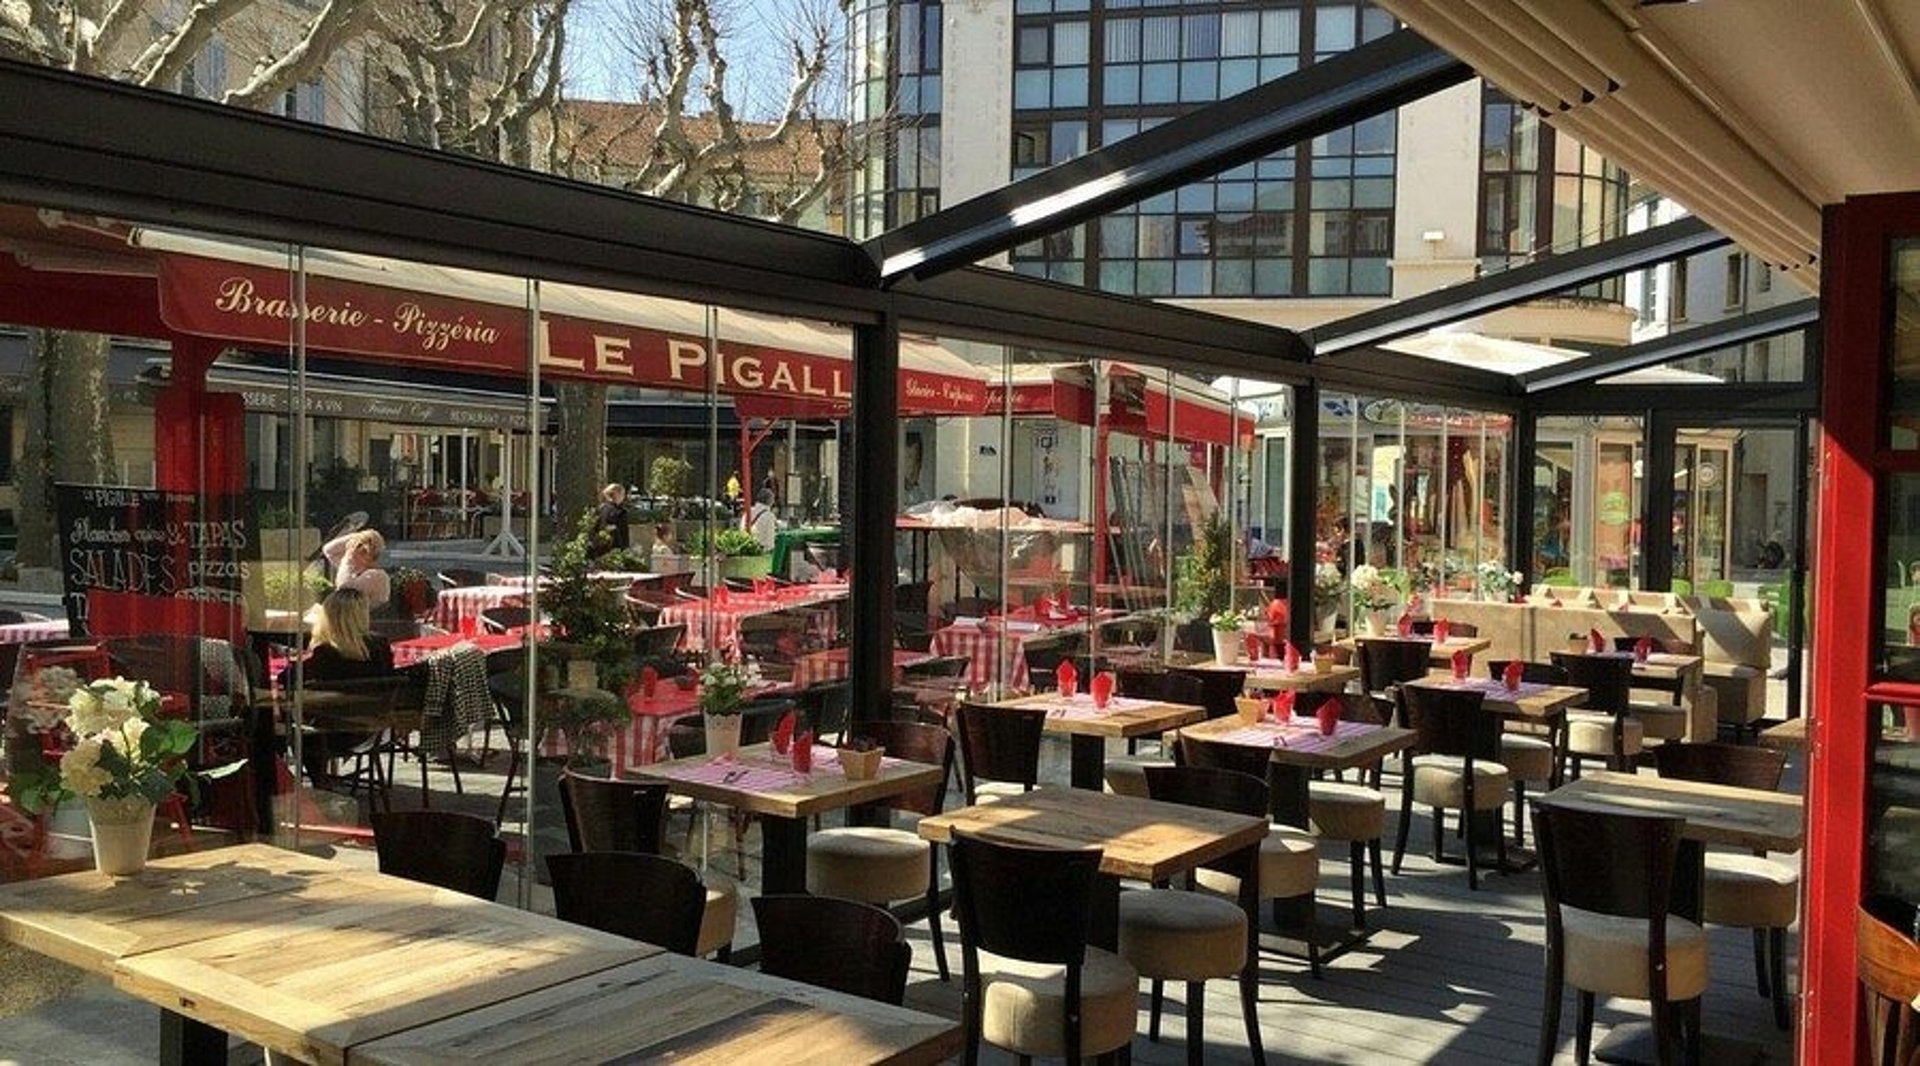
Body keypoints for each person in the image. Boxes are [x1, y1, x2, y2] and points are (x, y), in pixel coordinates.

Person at [278, 588, 396, 782]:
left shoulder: (326, 653)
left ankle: (308, 782)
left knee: (286, 719)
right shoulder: (380, 646)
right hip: (372, 731)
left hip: (331, 736)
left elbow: (286, 679)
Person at [320, 528, 390, 608]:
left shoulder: (377, 576)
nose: (354, 554)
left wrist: (348, 558)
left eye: (362, 552)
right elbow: (328, 549)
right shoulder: (353, 572)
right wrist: (359, 537)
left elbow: (344, 588)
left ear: (371, 556)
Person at [591, 482, 630, 557]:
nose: (623, 497)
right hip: (615, 549)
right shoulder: (620, 512)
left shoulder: (600, 509)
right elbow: (624, 533)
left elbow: (595, 528)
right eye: (623, 494)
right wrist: (624, 550)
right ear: (617, 495)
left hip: (600, 548)